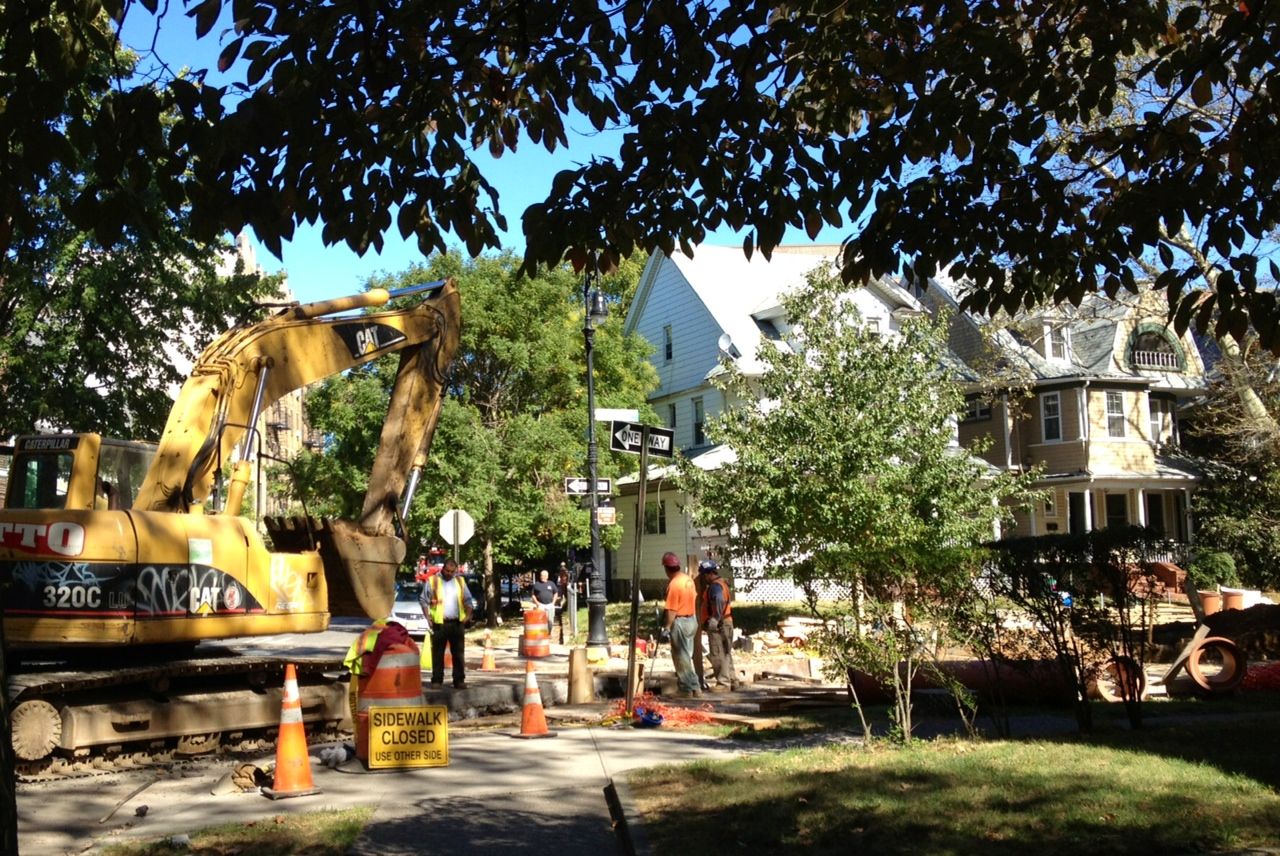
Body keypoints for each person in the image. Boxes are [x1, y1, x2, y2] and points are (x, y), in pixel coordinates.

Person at [419, 558, 475, 689]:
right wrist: (428, 618)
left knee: (458, 654)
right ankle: (437, 680)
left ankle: (459, 680)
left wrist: (467, 616)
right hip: (439, 623)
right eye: (447, 571)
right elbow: (423, 600)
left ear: (455, 571)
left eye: (452, 571)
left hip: (457, 623)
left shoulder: (460, 581)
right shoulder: (433, 581)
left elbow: (468, 600)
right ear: (443, 569)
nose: (449, 574)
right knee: (438, 653)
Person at [660, 551, 700, 697]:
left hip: (681, 622)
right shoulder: (688, 580)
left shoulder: (674, 584)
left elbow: (671, 610)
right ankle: (696, 688)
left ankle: (686, 690)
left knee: (680, 657)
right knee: (687, 656)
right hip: (692, 620)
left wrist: (667, 627)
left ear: (666, 568)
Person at [698, 560, 741, 691]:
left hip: (719, 624)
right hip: (727, 622)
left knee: (717, 653)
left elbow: (719, 600)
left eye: (704, 575)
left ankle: (723, 684)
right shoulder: (722, 583)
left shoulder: (715, 587)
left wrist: (715, 618)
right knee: (726, 653)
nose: (703, 578)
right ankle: (732, 680)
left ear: (709, 574)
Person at [530, 569, 559, 635]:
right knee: (540, 620)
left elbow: (556, 593)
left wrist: (553, 602)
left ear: (547, 576)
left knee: (550, 621)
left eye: (544, 575)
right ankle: (541, 634)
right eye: (542, 575)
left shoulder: (551, 583)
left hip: (550, 605)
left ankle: (549, 633)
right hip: (541, 605)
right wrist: (537, 603)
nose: (543, 577)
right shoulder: (536, 584)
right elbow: (533, 595)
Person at [556, 564, 571, 643]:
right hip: (562, 584)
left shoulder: (564, 571)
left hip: (564, 584)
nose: (562, 567)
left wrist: (566, 581)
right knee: (563, 595)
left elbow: (566, 577)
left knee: (564, 595)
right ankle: (563, 606)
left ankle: (563, 606)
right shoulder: (564, 571)